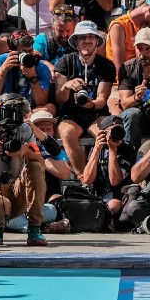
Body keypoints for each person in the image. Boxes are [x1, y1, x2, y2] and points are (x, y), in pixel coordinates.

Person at [0, 95, 50, 248]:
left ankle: (34, 229)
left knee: (35, 167)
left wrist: (25, 152)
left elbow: (41, 164)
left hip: (15, 192)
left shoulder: (25, 130)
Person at [53, 21, 116, 181]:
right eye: (82, 37)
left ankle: (109, 180)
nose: (87, 41)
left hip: (96, 112)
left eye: (91, 37)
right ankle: (84, 179)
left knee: (106, 134)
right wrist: (67, 86)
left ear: (96, 41)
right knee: (67, 133)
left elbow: (102, 99)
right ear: (76, 41)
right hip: (70, 114)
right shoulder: (64, 62)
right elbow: (60, 99)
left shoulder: (106, 65)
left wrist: (90, 104)